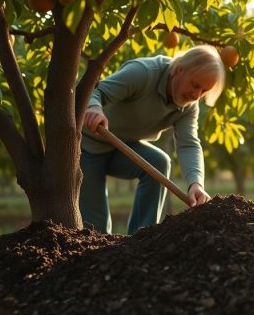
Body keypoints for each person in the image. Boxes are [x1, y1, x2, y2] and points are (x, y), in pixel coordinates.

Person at [79, 45, 226, 234]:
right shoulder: (143, 73)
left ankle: (141, 237)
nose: (196, 95)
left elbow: (188, 144)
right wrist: (93, 108)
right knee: (97, 225)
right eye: (195, 85)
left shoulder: (189, 106)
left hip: (121, 146)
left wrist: (195, 183)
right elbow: (94, 90)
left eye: (204, 91)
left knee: (159, 162)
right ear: (180, 69)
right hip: (88, 147)